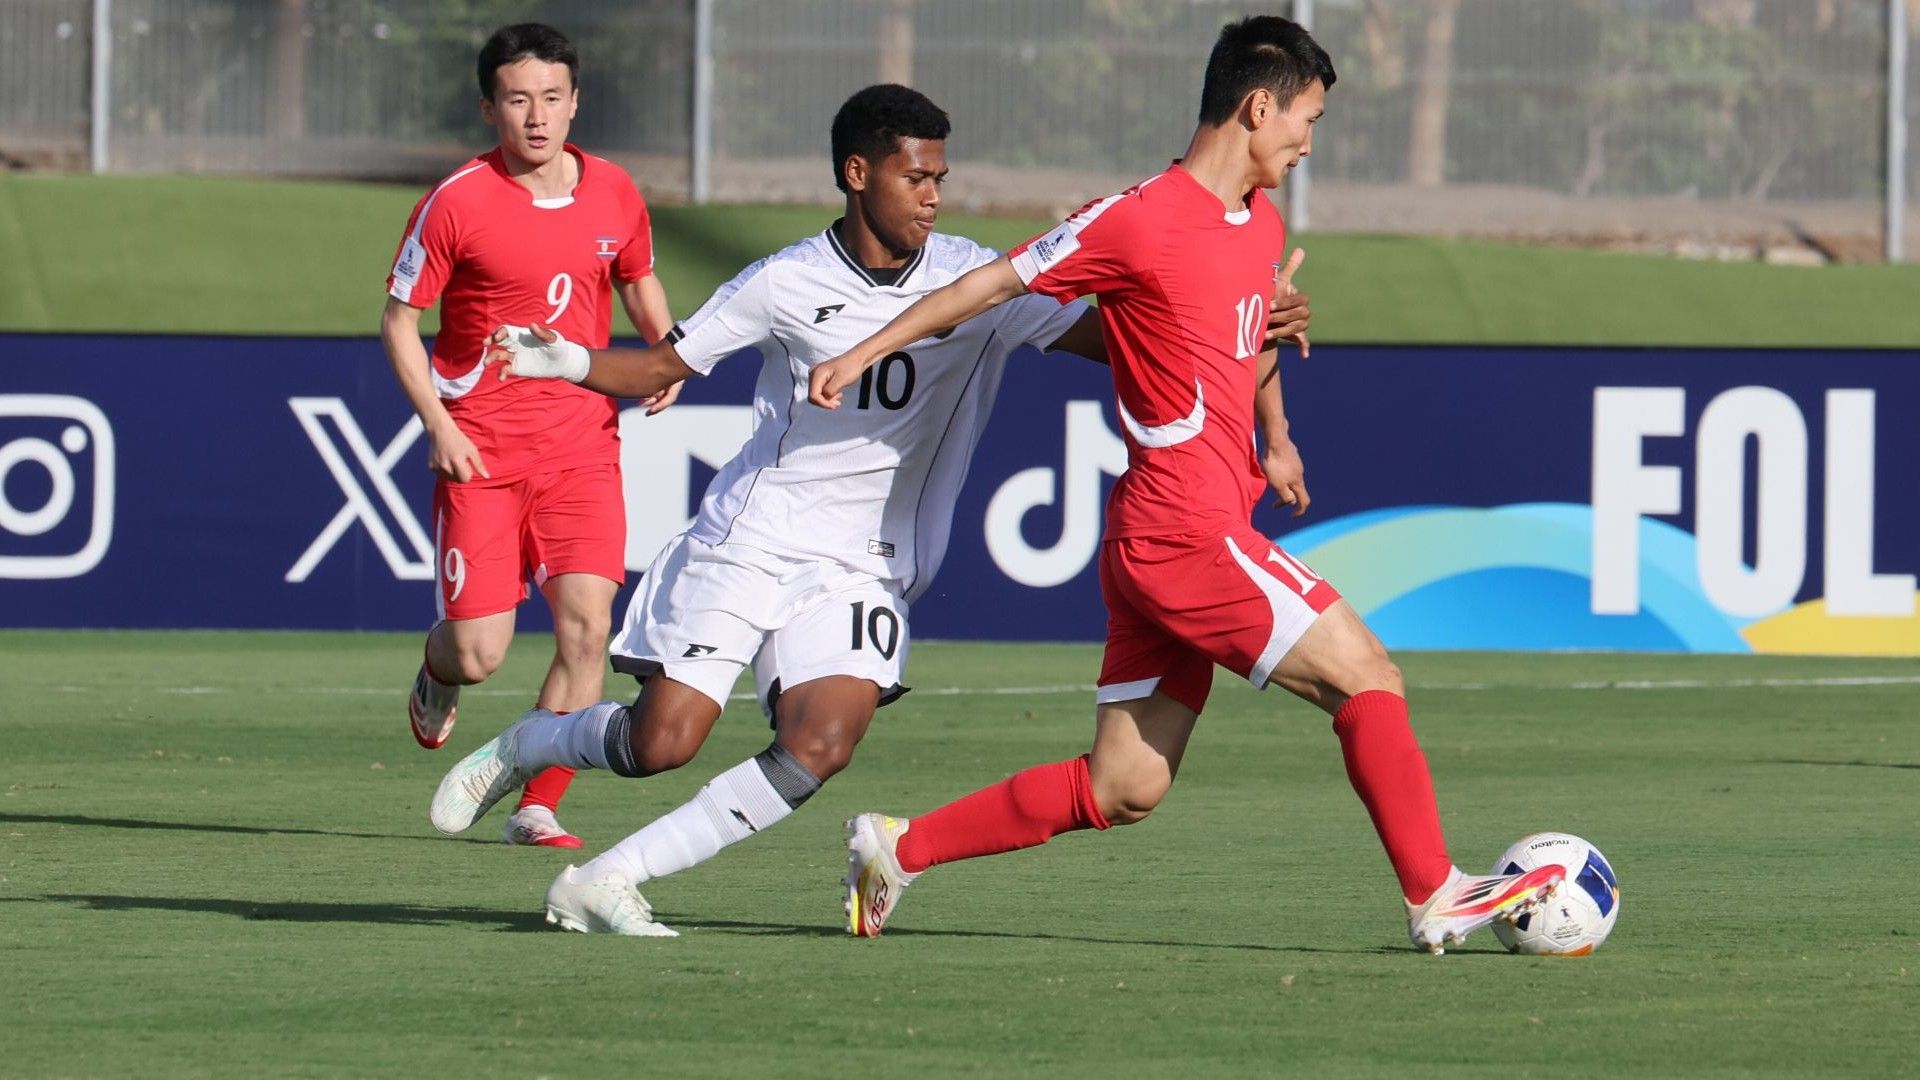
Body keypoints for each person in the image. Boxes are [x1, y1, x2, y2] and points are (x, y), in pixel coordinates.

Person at [423, 83, 1314, 936]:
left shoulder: (977, 280)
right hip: (754, 539)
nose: (932, 197)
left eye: (940, 179)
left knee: (824, 743)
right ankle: (533, 742)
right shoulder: (783, 281)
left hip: (865, 565)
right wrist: (567, 362)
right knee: (664, 741)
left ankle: (608, 878)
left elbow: (1123, 345)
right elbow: (664, 366)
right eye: (913, 177)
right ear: (858, 174)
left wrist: (1241, 318)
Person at [809, 16, 1563, 954]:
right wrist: (862, 350)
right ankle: (1435, 890)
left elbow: (1254, 339)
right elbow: (986, 287)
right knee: (1367, 673)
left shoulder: (1262, 221)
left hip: (1162, 539)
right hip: (1183, 534)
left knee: (1126, 785)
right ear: (1258, 106)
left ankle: (899, 848)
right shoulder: (1138, 218)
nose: (1309, 142)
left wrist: (1276, 438)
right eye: (1307, 118)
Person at [381, 23, 675, 849]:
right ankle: (438, 673)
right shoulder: (457, 202)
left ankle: (537, 802)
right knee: (480, 652)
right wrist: (438, 424)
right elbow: (400, 324)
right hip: (482, 446)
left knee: (588, 630)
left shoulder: (614, 189)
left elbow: (638, 279)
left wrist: (667, 357)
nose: (537, 117)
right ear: (489, 108)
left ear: (576, 102)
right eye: (518, 100)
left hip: (582, 443)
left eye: (552, 98)